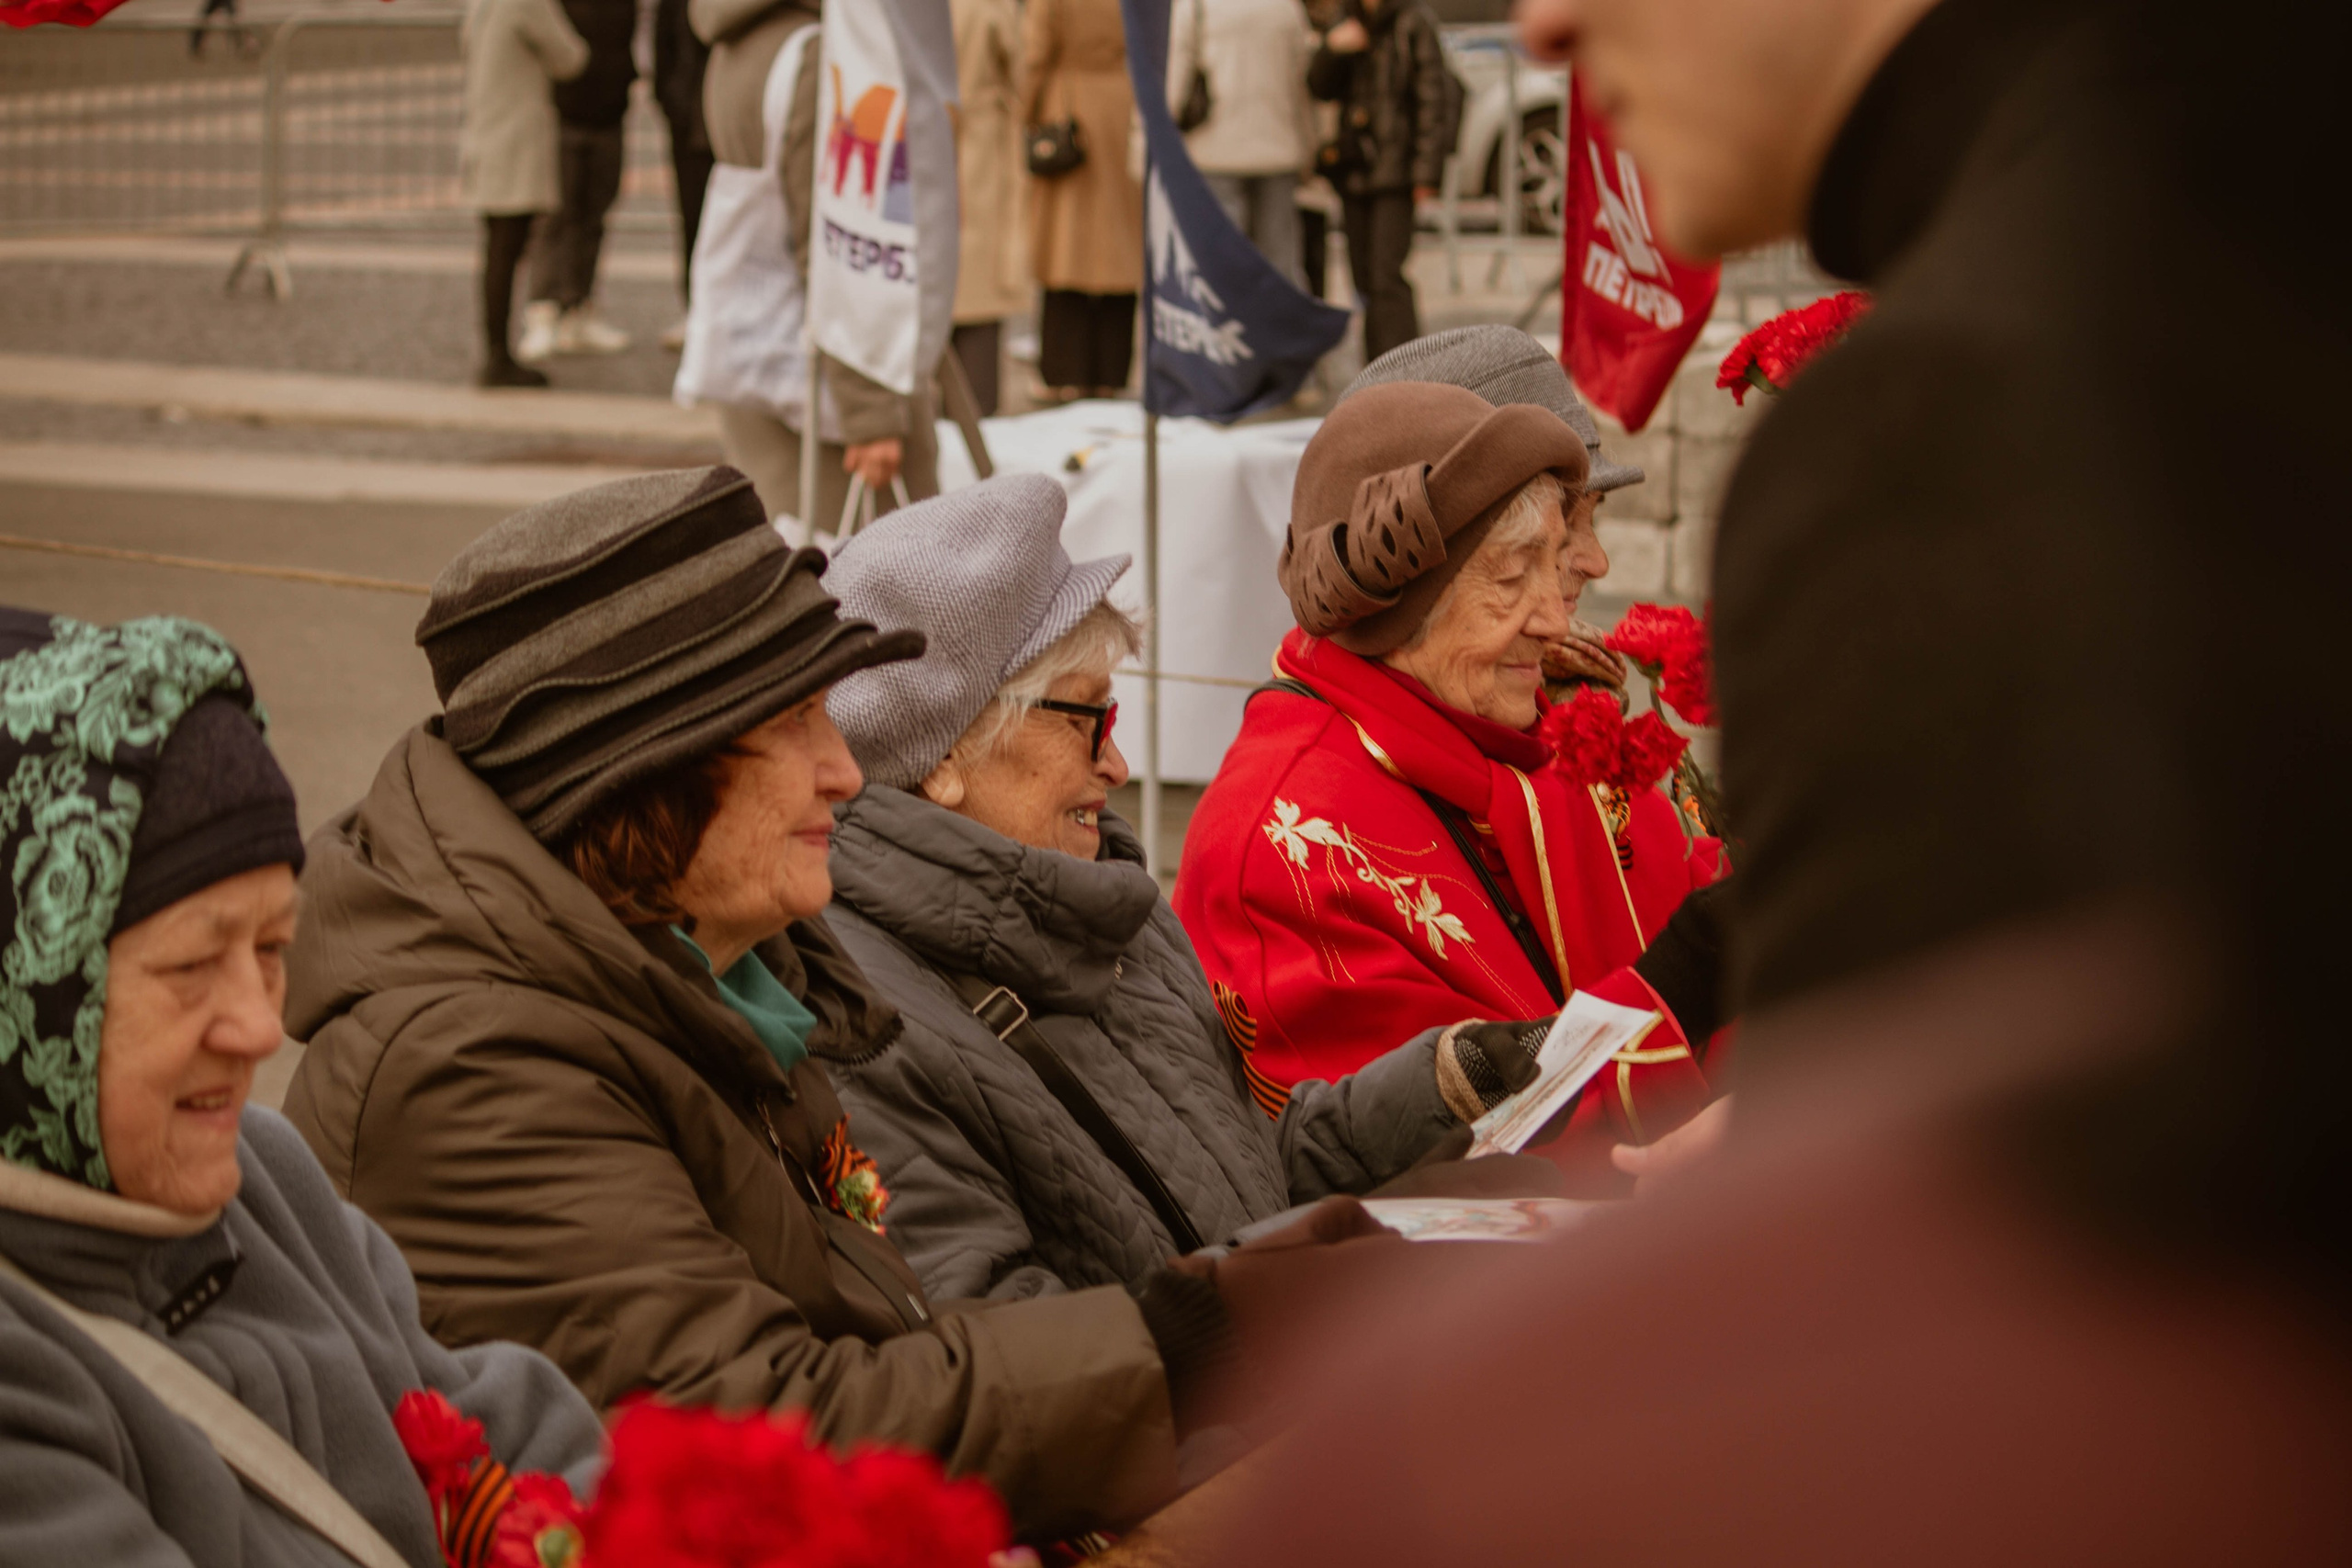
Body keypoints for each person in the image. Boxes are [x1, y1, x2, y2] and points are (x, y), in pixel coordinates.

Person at [1182, 0, 2352, 1558]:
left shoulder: (1996, 386)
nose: (1538, 26)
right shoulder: (1301, 824)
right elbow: (1432, 1186)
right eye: (1527, 561)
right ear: (1402, 587)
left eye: (1576, 549)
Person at [280, 466, 1441, 1541]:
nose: (845, 769)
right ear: (648, 770)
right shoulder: (472, 1067)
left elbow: (894, 1336)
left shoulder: (722, 969)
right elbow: (765, 1427)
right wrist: (1196, 1343)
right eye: (795, 723)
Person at [812, 473, 1561, 1302]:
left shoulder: (1105, 908)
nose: (1118, 766)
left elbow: (1236, 1183)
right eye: (1086, 720)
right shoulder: (866, 1021)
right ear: (946, 756)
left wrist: (1441, 1082)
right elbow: (998, 1356)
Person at [0, 608, 605, 1566]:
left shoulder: (264, 1171)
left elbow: (510, 1438)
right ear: (31, 991)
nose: (256, 1026)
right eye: (193, 964)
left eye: (273, 949)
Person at [1174, 380, 1727, 1190]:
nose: (1554, 615)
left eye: (1553, 564)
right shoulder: (1283, 850)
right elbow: (1450, 1168)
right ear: (1402, 607)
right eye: (1512, 576)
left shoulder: (1519, 732)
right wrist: (1693, 975)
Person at [675, 0, 939, 532]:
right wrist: (872, 414)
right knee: (871, 580)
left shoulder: (738, 37)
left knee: (793, 563)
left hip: (765, 363)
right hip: (833, 378)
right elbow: (837, 245)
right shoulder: (819, 53)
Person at [1306, 0, 1448, 360]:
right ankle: (1375, 370)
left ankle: (1405, 367)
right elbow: (1318, 86)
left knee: (1387, 277)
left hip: (1397, 172)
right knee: (1363, 280)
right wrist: (1333, 50)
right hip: (1354, 170)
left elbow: (1434, 99)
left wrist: (1426, 174)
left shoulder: (1414, 20)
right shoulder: (1346, 19)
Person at [458, 0, 589, 388]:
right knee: (506, 249)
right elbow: (571, 57)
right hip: (514, 139)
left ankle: (497, 349)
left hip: (486, 134)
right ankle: (498, 355)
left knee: (498, 249)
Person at [1023, 0, 1143, 400]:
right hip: (1123, 107)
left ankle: (1062, 372)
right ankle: (1111, 372)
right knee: (1120, 245)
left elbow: (1035, 52)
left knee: (1065, 247)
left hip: (1069, 108)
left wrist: (1026, 114)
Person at [514, 0, 638, 363]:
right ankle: (543, 310)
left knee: (594, 217)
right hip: (563, 114)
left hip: (609, 114)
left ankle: (579, 307)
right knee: (556, 216)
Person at [1168, 0, 1317, 289]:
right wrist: (1310, 147)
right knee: (1279, 263)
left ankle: (1227, 333)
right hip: (1279, 150)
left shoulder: (1196, 6)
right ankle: (1277, 331)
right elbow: (1302, 84)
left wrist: (1155, 147)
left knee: (1222, 264)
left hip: (1215, 153)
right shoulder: (1286, 7)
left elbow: (1176, 80)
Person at [949, 0, 1029, 417]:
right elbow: (1021, 64)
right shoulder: (988, 5)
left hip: (923, 137)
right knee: (978, 283)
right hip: (979, 144)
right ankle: (978, 408)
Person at [653, 0, 715, 354]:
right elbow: (664, 46)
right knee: (692, 220)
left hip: (727, 122)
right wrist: (672, 102)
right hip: (690, 120)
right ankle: (695, 309)